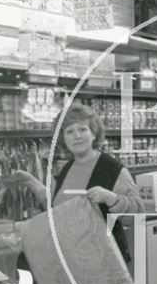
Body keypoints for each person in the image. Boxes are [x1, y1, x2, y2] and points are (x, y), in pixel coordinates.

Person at [8, 102, 143, 263]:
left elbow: (137, 215)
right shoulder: (66, 168)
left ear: (94, 134)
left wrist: (110, 198)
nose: (77, 136)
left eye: (82, 129)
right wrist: (30, 181)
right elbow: (57, 205)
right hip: (72, 261)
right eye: (69, 131)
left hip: (105, 265)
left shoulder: (113, 170)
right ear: (63, 139)